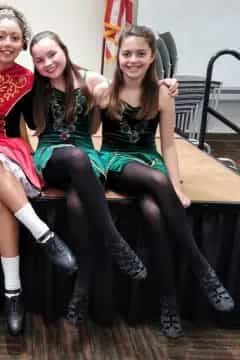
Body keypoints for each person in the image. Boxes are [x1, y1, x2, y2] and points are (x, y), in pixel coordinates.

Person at [0, 5, 78, 336]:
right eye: (1, 36)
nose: (8, 42)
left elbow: (37, 121)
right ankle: (45, 235)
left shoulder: (30, 78)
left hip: (11, 148)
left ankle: (13, 291)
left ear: (23, 44)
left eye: (15, 38)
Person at [97, 25, 234, 338]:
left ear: (151, 57)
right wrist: (169, 186)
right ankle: (201, 267)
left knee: (155, 215)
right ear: (117, 56)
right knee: (158, 182)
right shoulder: (106, 90)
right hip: (116, 161)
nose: (133, 60)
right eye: (127, 53)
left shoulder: (160, 93)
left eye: (140, 54)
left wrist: (177, 183)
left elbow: (169, 144)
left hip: (148, 160)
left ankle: (168, 302)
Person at [29, 30, 148, 325]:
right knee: (75, 156)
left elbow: (128, 87)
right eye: (39, 59)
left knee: (77, 205)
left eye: (52, 54)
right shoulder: (34, 85)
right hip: (51, 155)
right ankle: (115, 240)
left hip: (84, 157)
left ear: (65, 50)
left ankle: (80, 292)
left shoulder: (91, 80)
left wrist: (164, 84)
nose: (47, 63)